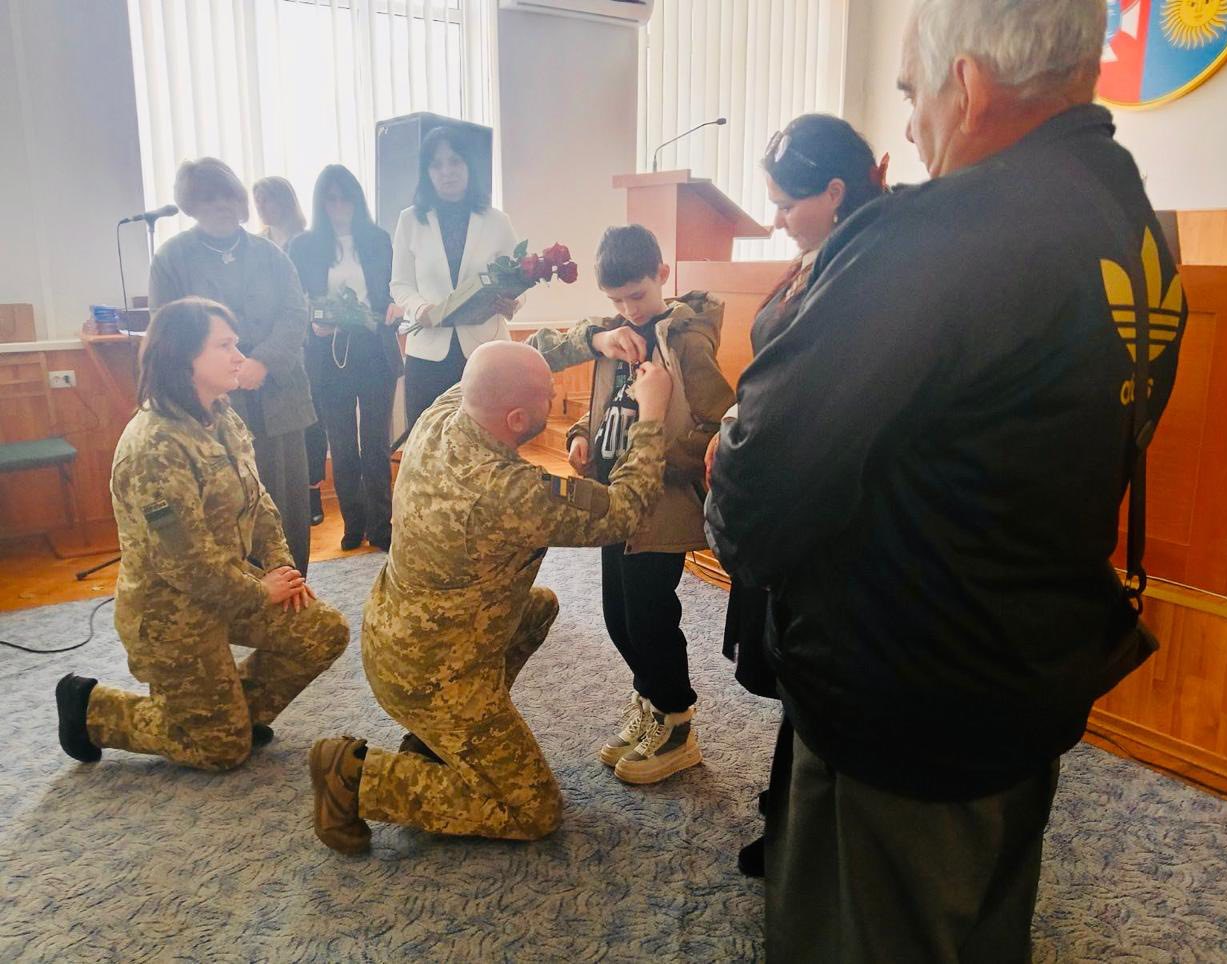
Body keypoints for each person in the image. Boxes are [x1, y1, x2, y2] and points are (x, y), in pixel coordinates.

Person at [705, 0, 1186, 959]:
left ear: (966, 86)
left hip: (901, 698)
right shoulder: (1136, 218)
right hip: (1022, 669)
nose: (915, 129)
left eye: (913, 95)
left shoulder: (942, 234)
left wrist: (728, 466)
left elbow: (756, 496)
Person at [307, 331, 673, 854]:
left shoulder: (442, 415)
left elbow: (501, 366)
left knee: (538, 606)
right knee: (531, 810)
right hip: (431, 677)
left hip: (394, 640)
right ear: (519, 422)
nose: (553, 396)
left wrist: (592, 339)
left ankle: (442, 743)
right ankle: (358, 777)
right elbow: (625, 511)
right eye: (547, 394)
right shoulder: (511, 491)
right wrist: (652, 417)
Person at [704, 113, 887, 878]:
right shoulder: (829, 253)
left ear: (836, 191)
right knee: (795, 673)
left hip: (823, 504)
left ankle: (804, 834)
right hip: (779, 483)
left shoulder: (870, 265)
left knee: (819, 676)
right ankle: (788, 815)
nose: (775, 219)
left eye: (785, 203)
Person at [54, 298, 349, 771]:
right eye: (225, 345)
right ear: (182, 356)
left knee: (323, 631)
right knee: (221, 752)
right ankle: (94, 709)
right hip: (172, 612)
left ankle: (232, 713)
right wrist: (259, 592)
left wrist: (279, 565)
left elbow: (259, 500)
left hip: (228, 587)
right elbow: (185, 565)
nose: (239, 354)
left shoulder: (221, 415)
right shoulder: (153, 446)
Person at [565, 224, 735, 785]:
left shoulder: (685, 340)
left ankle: (677, 720)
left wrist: (665, 457)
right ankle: (652, 704)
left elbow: (719, 424)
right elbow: (607, 405)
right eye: (614, 300)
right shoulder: (615, 335)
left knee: (650, 615)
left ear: (662, 274)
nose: (626, 308)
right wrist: (579, 435)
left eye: (636, 295)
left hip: (659, 505)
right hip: (614, 498)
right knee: (618, 617)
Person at [150, 157, 315, 575]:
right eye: (208, 198)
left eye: (227, 195)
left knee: (287, 503)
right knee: (229, 506)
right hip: (211, 405)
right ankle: (246, 597)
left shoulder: (271, 254)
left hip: (279, 395)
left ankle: (295, 588)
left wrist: (261, 361)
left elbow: (296, 312)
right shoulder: (172, 258)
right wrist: (224, 370)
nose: (221, 205)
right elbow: (168, 331)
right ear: (191, 204)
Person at [288, 165, 403, 552]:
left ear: (357, 198)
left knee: (374, 443)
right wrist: (314, 324)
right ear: (320, 202)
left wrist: (393, 307)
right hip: (327, 354)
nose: (339, 206)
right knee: (340, 444)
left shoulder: (378, 240)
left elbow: (393, 290)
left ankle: (380, 524)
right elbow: (296, 303)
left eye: (346, 197)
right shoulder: (303, 246)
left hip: (374, 351)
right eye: (331, 198)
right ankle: (353, 523)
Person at [391, 126, 521, 431]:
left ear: (469, 165)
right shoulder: (409, 220)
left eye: (455, 161)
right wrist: (420, 307)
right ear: (427, 172)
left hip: (485, 350)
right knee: (426, 445)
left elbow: (519, 277)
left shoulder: (496, 220)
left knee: (487, 441)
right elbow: (400, 283)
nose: (447, 171)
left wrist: (514, 302)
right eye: (436, 164)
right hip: (427, 352)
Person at [254, 174, 326, 527]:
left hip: (308, 342)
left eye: (268, 199)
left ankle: (312, 492)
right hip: (273, 347)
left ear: (285, 200)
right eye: (258, 201)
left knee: (310, 421)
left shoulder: (306, 239)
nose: (262, 207)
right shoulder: (257, 244)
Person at [253, 175, 308, 250]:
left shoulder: (308, 242)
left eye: (266, 200)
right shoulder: (255, 244)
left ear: (285, 201)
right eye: (257, 201)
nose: (260, 207)